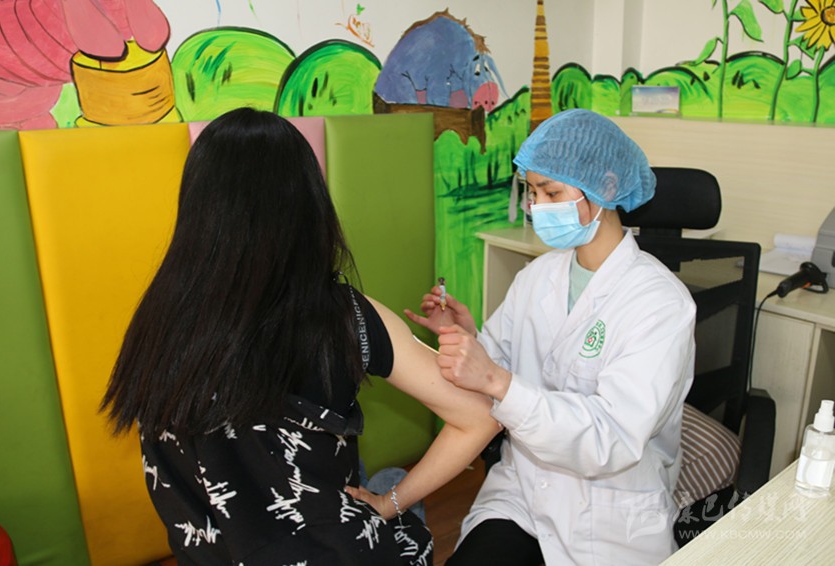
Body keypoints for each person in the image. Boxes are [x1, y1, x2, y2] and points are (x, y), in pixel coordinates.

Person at [101, 108, 500, 565]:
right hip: (331, 551)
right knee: (388, 482)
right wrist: (391, 503)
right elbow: (480, 416)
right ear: (307, 204)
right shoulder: (343, 314)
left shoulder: (157, 322)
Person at [406, 109, 696, 565]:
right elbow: (498, 365)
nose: (538, 206)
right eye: (533, 192)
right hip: (523, 492)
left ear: (607, 188)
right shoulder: (537, 276)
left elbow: (610, 439)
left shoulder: (660, 303)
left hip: (608, 514)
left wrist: (497, 380)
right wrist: (465, 338)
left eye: (552, 192)